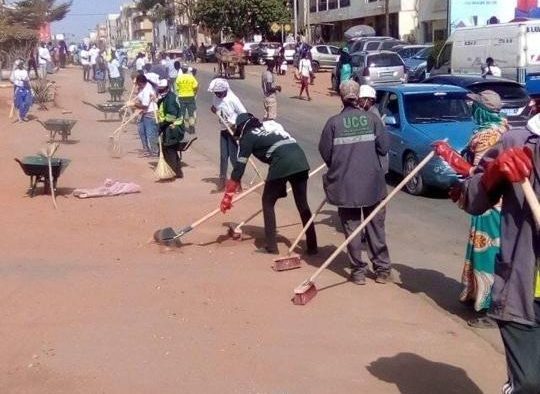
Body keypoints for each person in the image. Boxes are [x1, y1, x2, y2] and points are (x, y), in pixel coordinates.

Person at [436, 113, 539, 394]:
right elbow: (471, 198)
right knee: (530, 382)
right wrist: (493, 175)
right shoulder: (516, 142)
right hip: (526, 289)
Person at [434, 90, 509, 328]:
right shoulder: (502, 128)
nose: (471, 109)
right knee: (482, 253)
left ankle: (490, 308)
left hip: (490, 207)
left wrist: (449, 156)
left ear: (483, 110)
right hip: (495, 205)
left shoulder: (488, 136)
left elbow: (478, 175)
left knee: (487, 256)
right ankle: (475, 295)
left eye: (475, 106)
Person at [319, 80, 391, 285]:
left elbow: (325, 153)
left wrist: (341, 163)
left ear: (341, 98)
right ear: (358, 97)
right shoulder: (373, 119)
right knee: (376, 227)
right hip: (373, 186)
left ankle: (358, 272)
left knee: (352, 228)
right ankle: (382, 270)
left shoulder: (333, 123)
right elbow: (384, 148)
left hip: (345, 186)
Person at [221, 113, 318, 255]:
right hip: (300, 159)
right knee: (303, 205)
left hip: (282, 162)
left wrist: (228, 194)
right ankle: (313, 246)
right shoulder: (271, 126)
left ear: (242, 128)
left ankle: (271, 247)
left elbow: (239, 167)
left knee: (267, 202)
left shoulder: (247, 137)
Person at [208, 78, 247, 191]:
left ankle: (237, 182)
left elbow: (244, 114)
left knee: (234, 158)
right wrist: (214, 110)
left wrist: (236, 126)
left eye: (219, 93)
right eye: (216, 93)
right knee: (223, 157)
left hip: (233, 131)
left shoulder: (233, 99)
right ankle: (222, 181)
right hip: (223, 130)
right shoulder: (215, 98)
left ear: (225, 90)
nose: (217, 95)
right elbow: (217, 109)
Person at [156, 79, 194, 179]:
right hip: (170, 127)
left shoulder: (170, 99)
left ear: (167, 88)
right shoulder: (166, 97)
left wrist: (160, 127)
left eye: (162, 90)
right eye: (159, 90)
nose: (160, 91)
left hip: (173, 128)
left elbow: (170, 117)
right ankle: (177, 172)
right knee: (170, 150)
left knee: (169, 149)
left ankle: (171, 173)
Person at [131, 74, 159, 157]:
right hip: (144, 113)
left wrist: (134, 104)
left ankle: (155, 151)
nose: (136, 86)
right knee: (141, 131)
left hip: (151, 113)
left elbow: (145, 105)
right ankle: (146, 150)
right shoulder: (142, 88)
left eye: (137, 84)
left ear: (141, 82)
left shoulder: (147, 90)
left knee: (150, 134)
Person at [175, 65, 198, 134]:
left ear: (181, 70)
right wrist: (194, 93)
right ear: (187, 70)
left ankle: (182, 127)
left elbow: (176, 88)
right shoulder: (191, 77)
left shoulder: (179, 78)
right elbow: (196, 86)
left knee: (182, 113)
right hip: (190, 96)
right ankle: (191, 127)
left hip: (181, 97)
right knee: (191, 113)